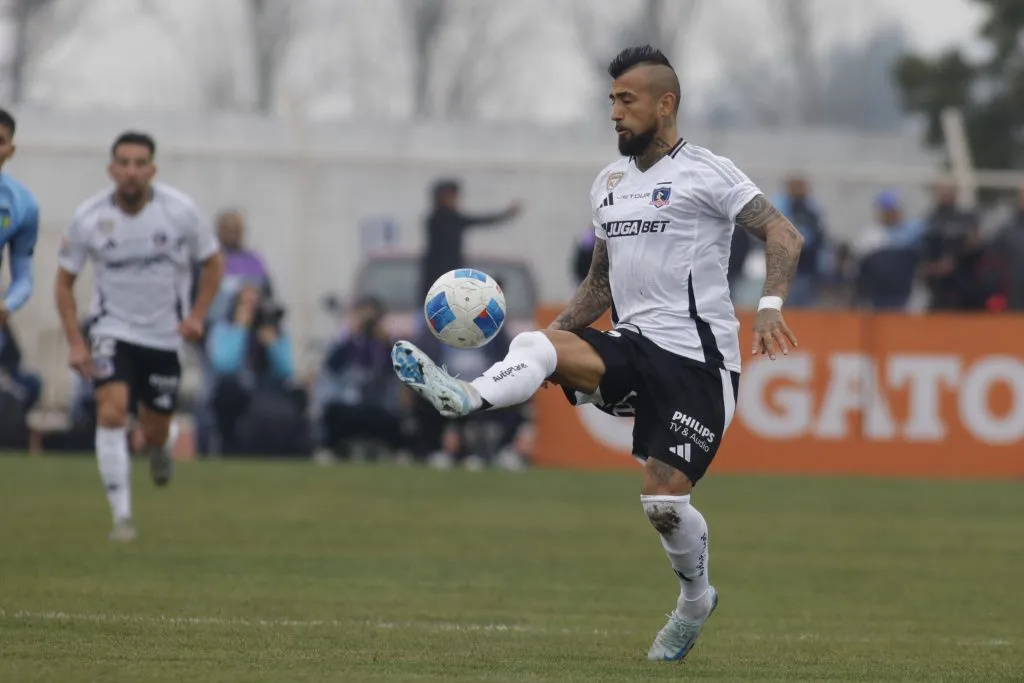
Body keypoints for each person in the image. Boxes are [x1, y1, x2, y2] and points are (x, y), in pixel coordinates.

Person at [390, 46, 803, 662]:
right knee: (536, 341)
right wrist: (548, 348)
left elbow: (783, 233)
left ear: (665, 104)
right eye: (611, 100)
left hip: (699, 363)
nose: (614, 112)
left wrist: (769, 305)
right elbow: (600, 286)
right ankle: (466, 396)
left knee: (663, 503)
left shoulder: (708, 172)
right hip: (631, 348)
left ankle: (695, 603)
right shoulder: (608, 185)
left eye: (627, 100)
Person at [54, 131, 224, 542]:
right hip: (111, 328)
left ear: (153, 169)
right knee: (112, 412)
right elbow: (63, 283)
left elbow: (214, 262)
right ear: (111, 169)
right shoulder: (89, 218)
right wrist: (76, 342)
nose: (132, 171)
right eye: (124, 163)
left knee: (154, 431)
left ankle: (161, 446)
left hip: (164, 336)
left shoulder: (179, 212)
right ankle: (123, 517)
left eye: (140, 163)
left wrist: (197, 316)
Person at [207, 283, 307, 457]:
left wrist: (273, 345)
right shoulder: (224, 329)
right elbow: (225, 365)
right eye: (246, 304)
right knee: (227, 391)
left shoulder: (274, 330)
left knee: (299, 395)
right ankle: (229, 447)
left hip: (267, 389)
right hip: (238, 390)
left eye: (255, 304)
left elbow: (287, 371)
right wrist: (241, 329)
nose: (251, 309)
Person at [419, 179, 521, 301]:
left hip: (452, 279)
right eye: (451, 197)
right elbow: (479, 220)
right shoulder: (439, 220)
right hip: (438, 280)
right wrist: (508, 214)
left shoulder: (452, 219)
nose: (455, 201)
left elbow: (481, 220)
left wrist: (507, 214)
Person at [0, 109, 40, 329]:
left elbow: (23, 276)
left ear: (10, 150)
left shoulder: (22, 204)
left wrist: (7, 305)